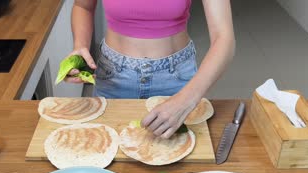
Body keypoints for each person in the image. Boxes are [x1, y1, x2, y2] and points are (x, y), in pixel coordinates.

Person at [64, 0, 235, 138]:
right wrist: (80, 45)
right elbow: (82, 6)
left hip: (176, 80)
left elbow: (224, 38)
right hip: (113, 77)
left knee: (181, 170)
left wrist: (186, 100)